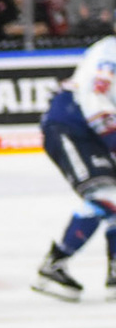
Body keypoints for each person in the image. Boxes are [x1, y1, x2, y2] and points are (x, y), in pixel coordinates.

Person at [33, 26, 116, 301]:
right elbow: (96, 101)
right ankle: (54, 265)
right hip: (71, 125)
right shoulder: (110, 52)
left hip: (94, 131)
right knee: (105, 195)